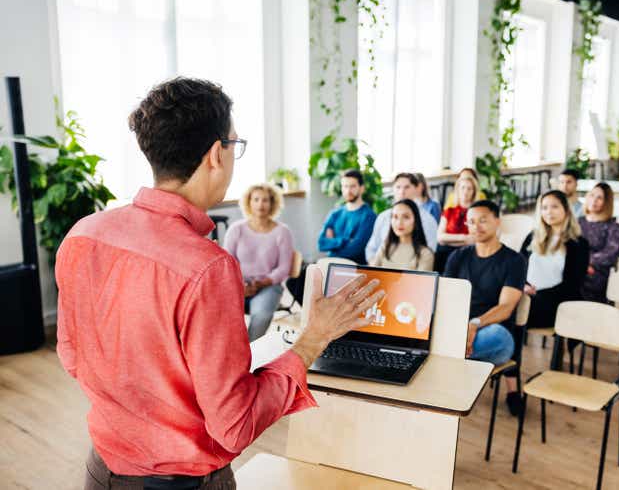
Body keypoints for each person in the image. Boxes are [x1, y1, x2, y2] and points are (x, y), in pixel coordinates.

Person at [56, 77, 385, 487]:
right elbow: (235, 425)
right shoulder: (206, 268)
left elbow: (71, 356)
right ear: (217, 154)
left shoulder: (84, 233)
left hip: (101, 470)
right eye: (235, 144)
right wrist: (313, 339)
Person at [444, 200, 527, 415]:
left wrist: (474, 325)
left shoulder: (514, 260)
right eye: (471, 221)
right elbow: (447, 300)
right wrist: (461, 329)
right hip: (461, 332)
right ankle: (453, 361)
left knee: (496, 335)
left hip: (493, 334)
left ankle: (446, 363)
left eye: (483, 220)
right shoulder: (457, 257)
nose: (476, 226)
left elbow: (506, 307)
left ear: (497, 222)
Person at [223, 183, 293, 341]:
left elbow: (283, 268)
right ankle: (230, 351)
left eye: (265, 200)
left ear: (272, 203)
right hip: (237, 284)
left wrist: (261, 283)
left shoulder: (282, 232)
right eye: (256, 199)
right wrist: (240, 284)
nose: (261, 204)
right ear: (249, 202)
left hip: (268, 286)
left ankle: (249, 354)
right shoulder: (236, 229)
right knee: (220, 310)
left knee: (261, 315)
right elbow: (227, 262)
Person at [520, 190, 589, 342]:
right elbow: (518, 268)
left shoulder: (578, 244)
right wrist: (523, 286)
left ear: (566, 209)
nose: (549, 212)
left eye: (554, 207)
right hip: (527, 296)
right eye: (544, 208)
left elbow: (572, 285)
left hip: (557, 303)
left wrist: (537, 294)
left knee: (511, 313)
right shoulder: (533, 237)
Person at [366, 172, 438, 262]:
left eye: (407, 187)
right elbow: (371, 249)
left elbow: (430, 251)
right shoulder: (383, 217)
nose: (402, 192)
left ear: (417, 189)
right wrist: (375, 268)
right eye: (398, 187)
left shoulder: (428, 220)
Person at [317, 169, 377, 264]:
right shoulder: (335, 213)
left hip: (355, 268)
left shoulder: (369, 216)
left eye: (353, 186)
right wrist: (345, 241)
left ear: (362, 188)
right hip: (332, 266)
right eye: (345, 186)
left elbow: (355, 249)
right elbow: (321, 243)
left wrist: (333, 245)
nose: (348, 191)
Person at [578, 182, 619, 303]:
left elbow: (611, 253)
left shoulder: (613, 226)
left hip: (597, 271)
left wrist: (584, 263)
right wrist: (580, 264)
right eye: (592, 195)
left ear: (606, 202)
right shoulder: (577, 222)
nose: (594, 200)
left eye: (600, 198)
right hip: (576, 267)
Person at [370, 199, 434, 271]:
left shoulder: (425, 253)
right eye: (395, 217)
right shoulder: (385, 247)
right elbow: (371, 274)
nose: (399, 222)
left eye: (406, 217)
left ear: (416, 220)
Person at [435, 174, 479, 272]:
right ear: (458, 190)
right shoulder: (449, 211)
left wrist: (449, 239)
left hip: (467, 254)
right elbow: (440, 237)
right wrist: (463, 238)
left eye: (469, 189)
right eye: (462, 187)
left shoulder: (476, 213)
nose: (465, 192)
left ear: (474, 192)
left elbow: (472, 240)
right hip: (445, 252)